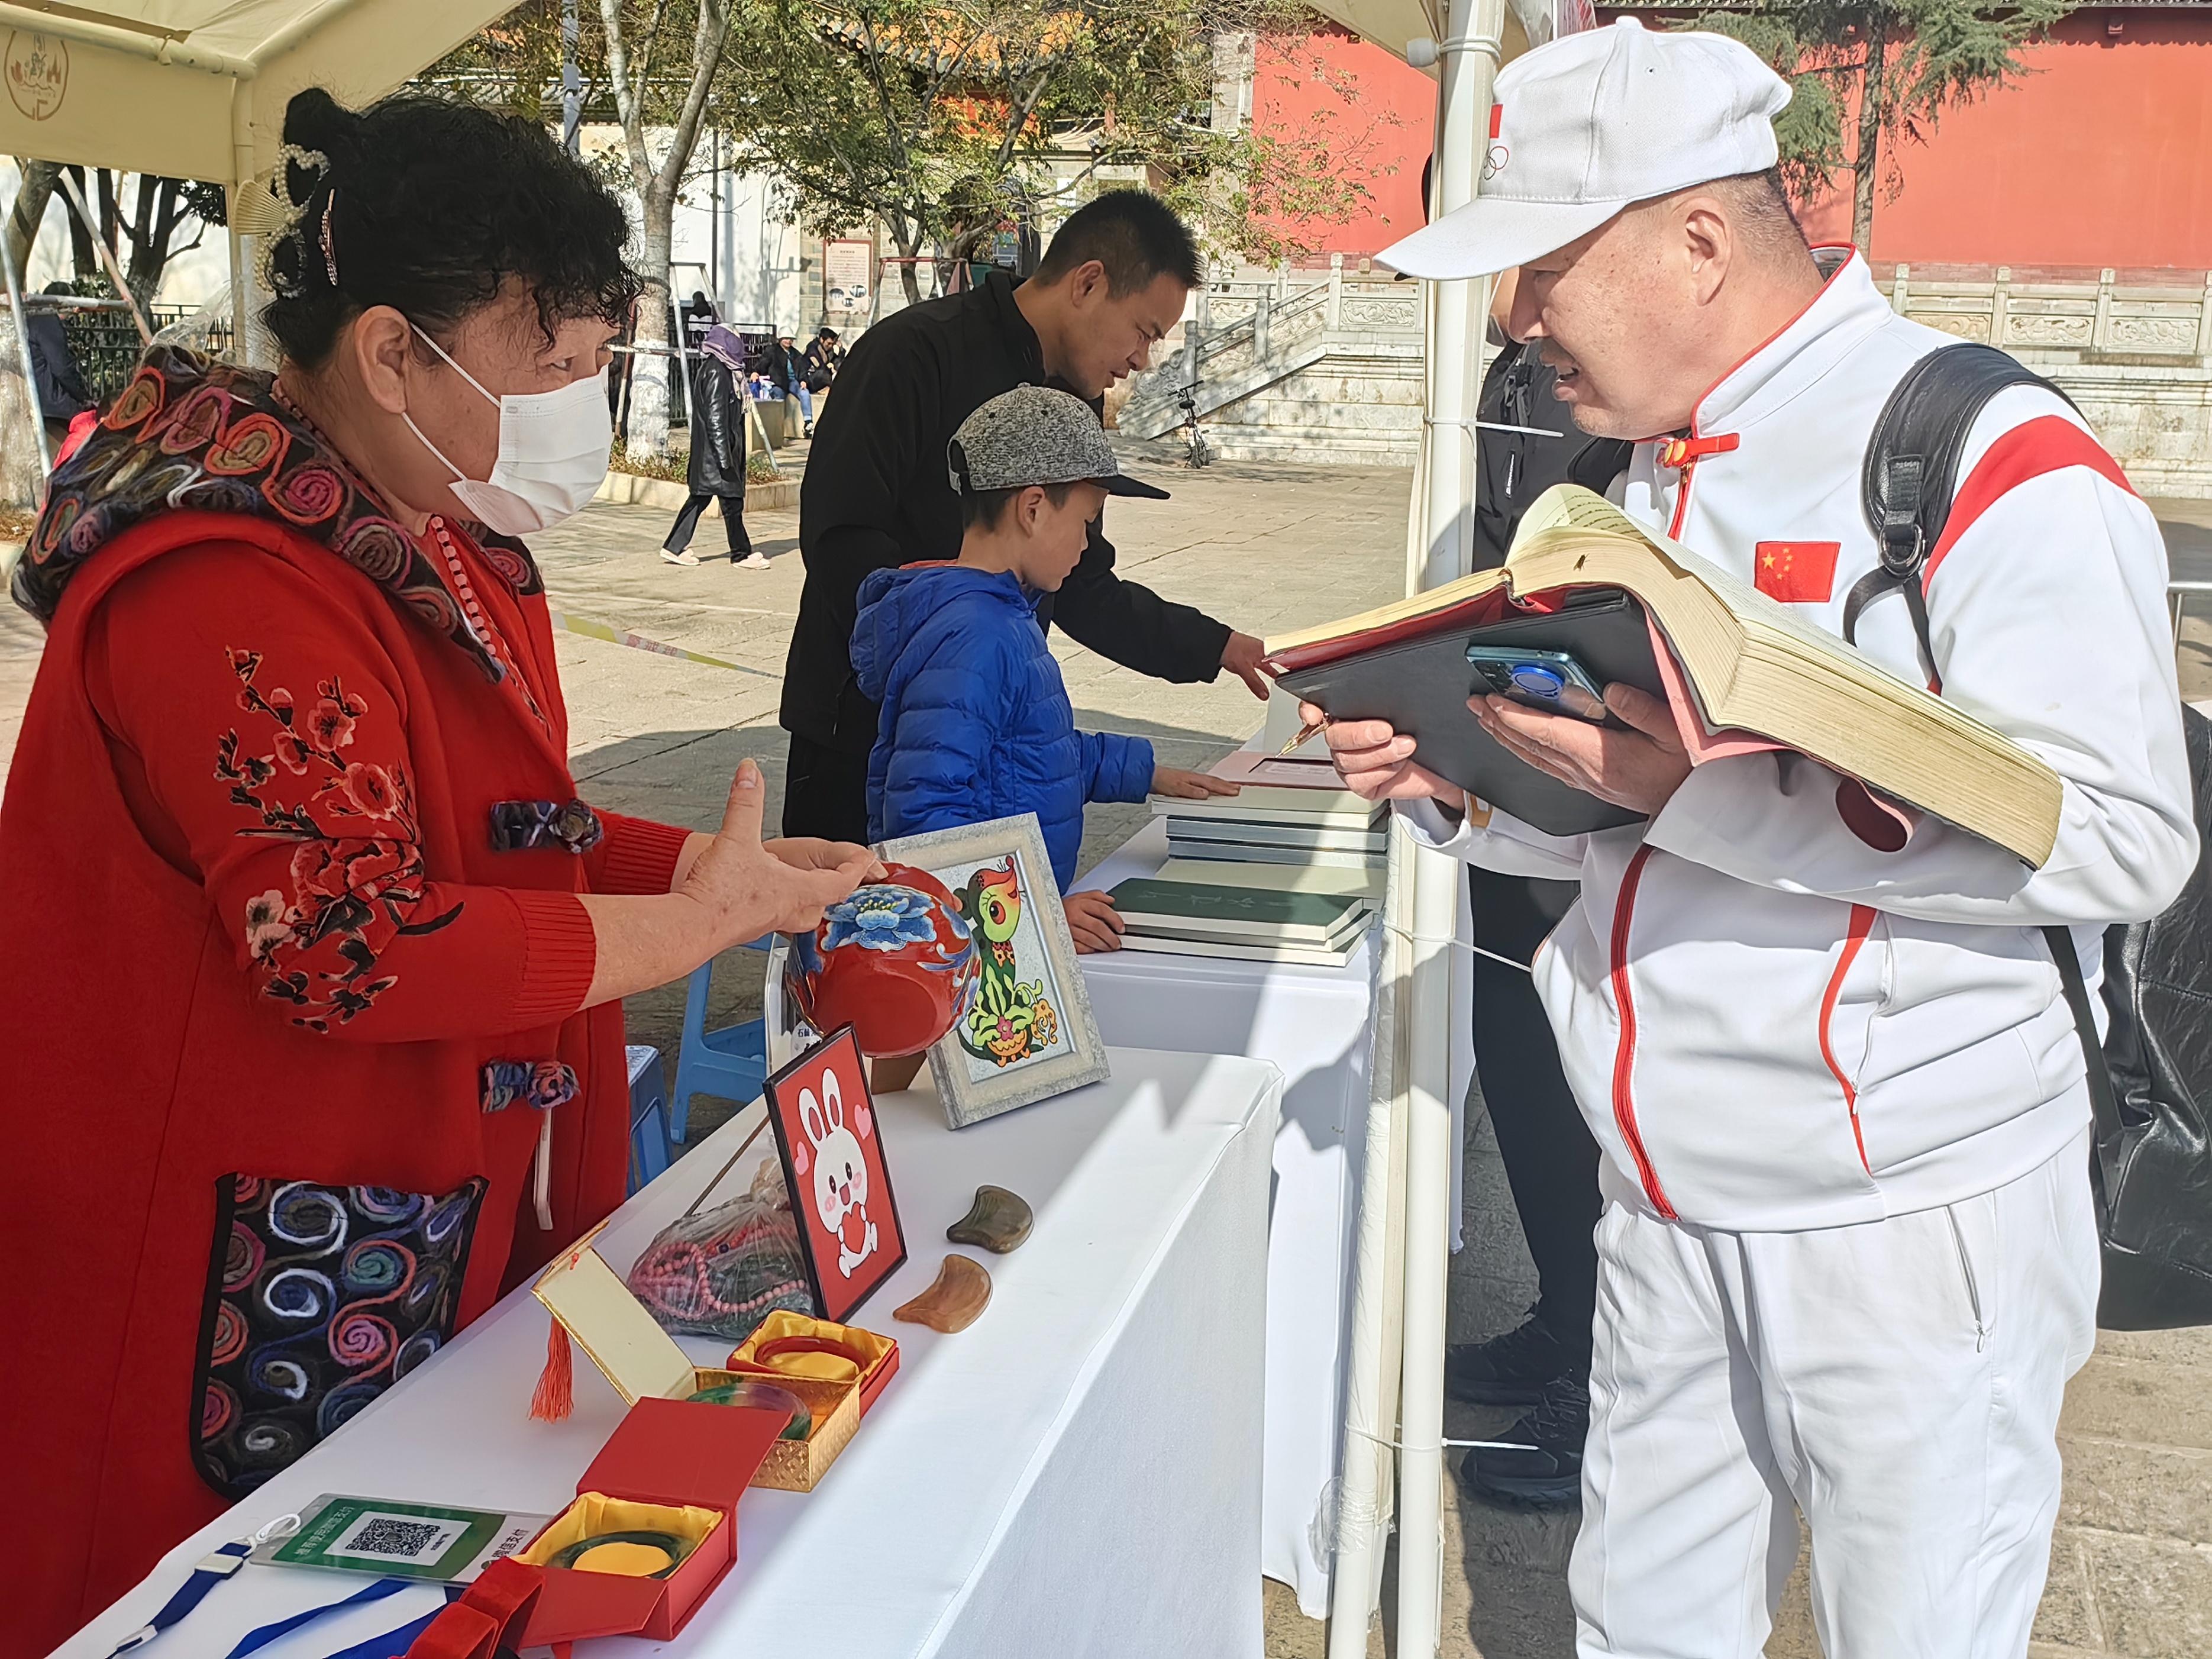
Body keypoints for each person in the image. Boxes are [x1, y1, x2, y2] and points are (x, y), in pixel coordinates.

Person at [1317, 20, 2195, 1655]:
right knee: (1636, 1626)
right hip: (1655, 1196)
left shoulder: (1980, 458)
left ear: (1698, 241)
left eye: (1542, 270)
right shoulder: (1619, 482)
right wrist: (1457, 783)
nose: (1514, 319)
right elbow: (1619, 831)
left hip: (1901, 1222)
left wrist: (1706, 791)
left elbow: (2128, 835)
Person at [0, 88, 876, 1657]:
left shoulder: (434, 536)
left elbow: (501, 832)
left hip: (406, 1202)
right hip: (225, 1238)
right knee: (204, 1595)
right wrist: (682, 932)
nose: (579, 410)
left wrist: (719, 866)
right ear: (395, 351)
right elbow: (343, 941)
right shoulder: (227, 589)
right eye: (553, 368)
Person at [783, 189, 1270, 845]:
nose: (1140, 361)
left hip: (990, 727)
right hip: (864, 731)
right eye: (1144, 332)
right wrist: (955, 644)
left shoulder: (1071, 396)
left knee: (980, 927)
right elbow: (841, 537)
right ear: (1089, 282)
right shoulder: (912, 354)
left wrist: (1216, 646)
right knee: (873, 932)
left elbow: (1082, 583)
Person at [1451, 267, 1632, 1507]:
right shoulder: (1508, 375)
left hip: (1600, 800)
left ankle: (1601, 1383)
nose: (1509, 312)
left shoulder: (1631, 391)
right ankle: (1564, 1321)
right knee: (1519, 1083)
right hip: (1507, 796)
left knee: (1587, 1113)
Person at [852, 386, 1238, 950]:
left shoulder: (1004, 618)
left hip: (1007, 932)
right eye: (1086, 522)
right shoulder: (979, 637)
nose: (1087, 545)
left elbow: (1027, 755)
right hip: (987, 951)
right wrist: (1036, 912)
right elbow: (923, 817)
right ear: (1032, 510)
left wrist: (1144, 771)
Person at [663, 324, 764, 569]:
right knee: (730, 504)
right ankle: (740, 555)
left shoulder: (722, 370)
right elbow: (716, 418)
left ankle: (674, 547)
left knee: (703, 501)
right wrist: (724, 457)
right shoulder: (718, 372)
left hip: (714, 455)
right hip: (717, 455)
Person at [27, 282, 94, 443]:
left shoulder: (31, 319)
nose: (74, 310)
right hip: (51, 401)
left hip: (35, 395)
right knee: (91, 427)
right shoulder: (47, 322)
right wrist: (83, 397)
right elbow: (62, 369)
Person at [763, 331, 813, 435]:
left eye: (791, 339)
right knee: (779, 397)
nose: (788, 341)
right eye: (786, 338)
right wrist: (756, 372)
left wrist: (804, 381)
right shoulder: (772, 351)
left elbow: (802, 368)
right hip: (779, 382)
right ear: (780, 339)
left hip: (793, 381)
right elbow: (763, 363)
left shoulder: (796, 354)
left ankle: (808, 423)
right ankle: (776, 426)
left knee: (804, 393)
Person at [803, 325, 842, 396]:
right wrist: (830, 368)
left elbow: (836, 361)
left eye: (832, 344)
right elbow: (819, 367)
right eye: (829, 343)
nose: (830, 346)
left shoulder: (828, 349)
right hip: (811, 379)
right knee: (823, 374)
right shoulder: (813, 349)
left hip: (823, 376)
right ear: (822, 340)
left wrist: (841, 350)